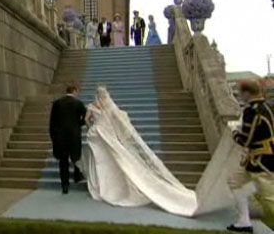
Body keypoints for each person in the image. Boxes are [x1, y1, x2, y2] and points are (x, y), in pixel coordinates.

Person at [81, 86, 236, 217]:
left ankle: (101, 186)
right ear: (106, 95)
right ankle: (109, 186)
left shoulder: (91, 106)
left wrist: (92, 127)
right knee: (110, 160)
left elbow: (88, 121)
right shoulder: (110, 107)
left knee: (101, 161)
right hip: (106, 135)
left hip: (97, 134)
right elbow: (120, 120)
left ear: (97, 95)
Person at [227, 80, 274, 233]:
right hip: (255, 158)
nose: (240, 95)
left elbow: (246, 140)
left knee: (270, 198)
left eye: (241, 92)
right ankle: (244, 222)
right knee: (234, 181)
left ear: (247, 93)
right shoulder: (266, 106)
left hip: (263, 160)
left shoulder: (252, 110)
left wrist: (234, 131)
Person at [49, 83, 87, 194]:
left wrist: (53, 136)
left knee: (63, 161)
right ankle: (76, 176)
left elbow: (52, 122)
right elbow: (86, 117)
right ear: (74, 91)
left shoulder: (57, 103)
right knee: (76, 157)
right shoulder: (78, 103)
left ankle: (65, 185)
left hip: (60, 137)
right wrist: (78, 124)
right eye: (78, 91)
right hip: (74, 136)